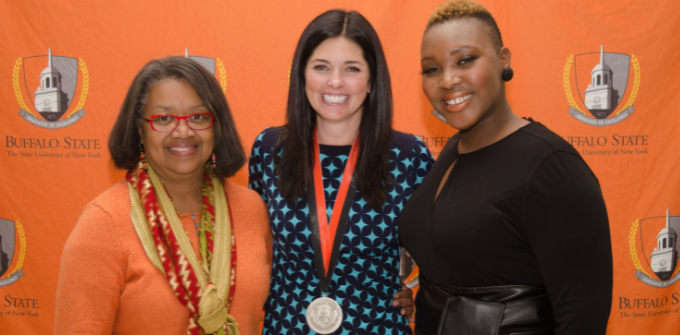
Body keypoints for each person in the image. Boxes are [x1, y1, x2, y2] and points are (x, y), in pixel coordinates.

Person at [398, 1, 613, 334]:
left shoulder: (551, 167)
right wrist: (427, 297)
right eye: (432, 69)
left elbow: (583, 319)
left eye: (465, 60)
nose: (448, 79)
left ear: (503, 60)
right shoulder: (456, 149)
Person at [248, 9, 434, 335]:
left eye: (352, 69)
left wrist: (423, 294)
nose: (335, 82)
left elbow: (442, 250)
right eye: (321, 67)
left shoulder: (409, 156)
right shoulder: (269, 150)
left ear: (373, 79)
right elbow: (254, 251)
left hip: (378, 327)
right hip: (287, 326)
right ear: (302, 74)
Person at [55, 56, 272, 335]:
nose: (183, 131)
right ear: (139, 130)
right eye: (164, 119)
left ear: (216, 126)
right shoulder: (104, 222)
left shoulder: (250, 208)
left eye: (198, 117)